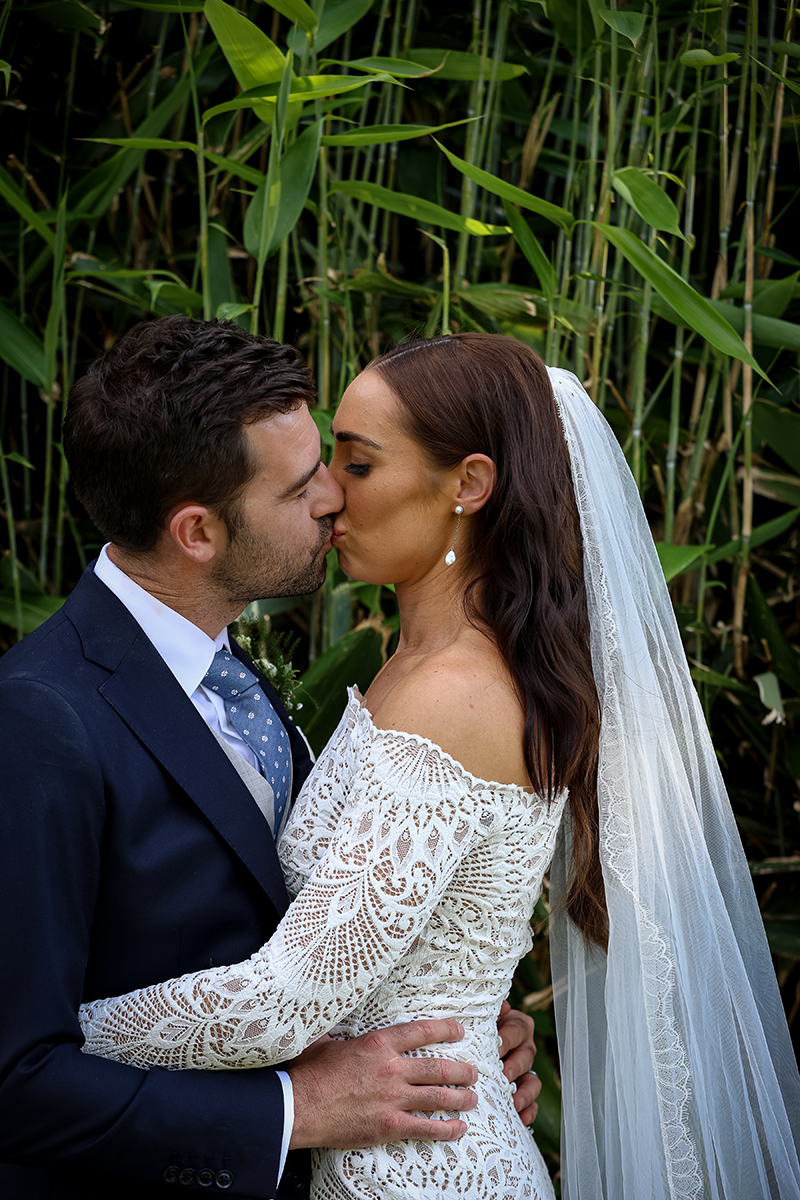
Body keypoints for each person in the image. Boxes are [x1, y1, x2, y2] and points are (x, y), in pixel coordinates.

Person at [75, 331, 800, 1198]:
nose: (331, 496)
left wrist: (65, 1035)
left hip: (423, 1169)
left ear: (469, 485)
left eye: (360, 464)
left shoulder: (450, 696)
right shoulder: (420, 671)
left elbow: (289, 998)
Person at [0, 319, 540, 1200]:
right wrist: (293, 1109)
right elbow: (18, 1081)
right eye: (300, 489)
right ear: (198, 534)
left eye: (336, 461)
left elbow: (315, 920)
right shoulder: (38, 720)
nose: (333, 496)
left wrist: (457, 1022)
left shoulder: (235, 673)